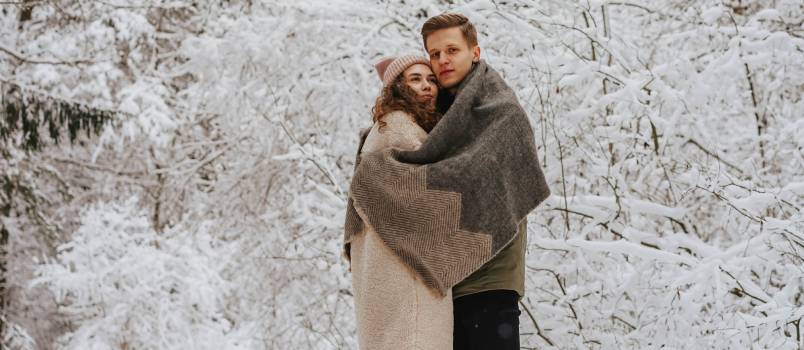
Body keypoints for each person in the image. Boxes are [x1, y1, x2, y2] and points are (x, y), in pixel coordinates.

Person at [420, 13, 533, 349]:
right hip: (448, 284)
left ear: (476, 52)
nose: (442, 60)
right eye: (434, 54)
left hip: (490, 281)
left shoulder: (500, 110)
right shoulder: (444, 111)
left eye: (452, 50)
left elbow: (475, 175)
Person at [344, 55, 452, 349]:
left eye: (431, 80)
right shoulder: (399, 127)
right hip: (405, 270)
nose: (427, 86)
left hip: (386, 270)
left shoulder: (386, 127)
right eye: (415, 79)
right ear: (397, 87)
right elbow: (437, 187)